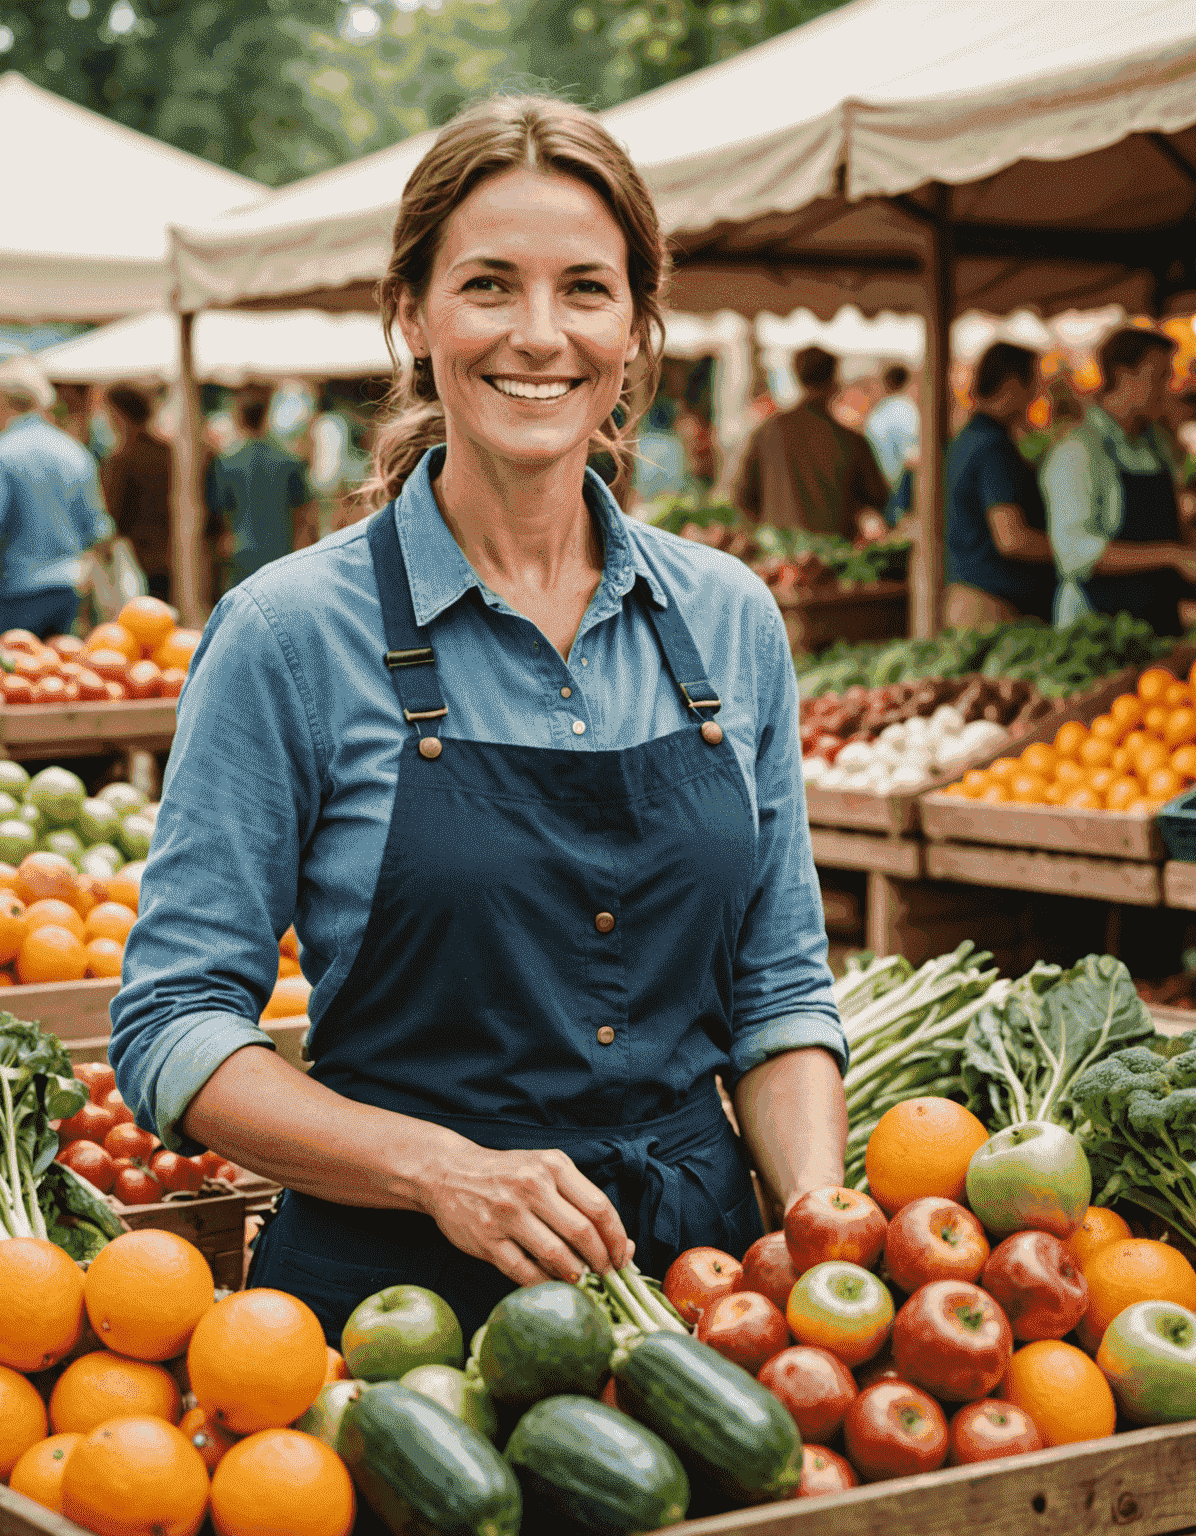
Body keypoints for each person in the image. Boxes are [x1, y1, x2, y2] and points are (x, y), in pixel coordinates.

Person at [109, 95, 845, 1348]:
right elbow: (175, 1025)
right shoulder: (287, 633)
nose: (541, 335)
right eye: (490, 286)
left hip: (706, 1304)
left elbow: (778, 996)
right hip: (394, 1323)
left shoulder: (728, 619)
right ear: (412, 314)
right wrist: (439, 1170)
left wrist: (828, 1237)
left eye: (588, 290)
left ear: (636, 324)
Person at [1043, 328, 1196, 634]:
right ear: (1124, 376)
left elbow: (1173, 526)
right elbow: (1074, 553)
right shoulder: (1079, 452)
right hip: (1095, 631)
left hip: (1157, 623)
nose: (1168, 389)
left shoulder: (1156, 445)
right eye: (1159, 377)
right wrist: (1172, 555)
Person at [0, 357, 112, 639]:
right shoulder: (74, 451)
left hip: (17, 592)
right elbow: (97, 528)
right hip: (70, 589)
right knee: (59, 675)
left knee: (14, 677)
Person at [944, 344, 1056, 627]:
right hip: (994, 607)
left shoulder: (965, 440)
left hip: (965, 596)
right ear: (1012, 384)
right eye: (1034, 384)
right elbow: (1012, 538)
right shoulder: (994, 448)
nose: (1037, 396)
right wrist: (1074, 549)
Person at [733, 346, 891, 539]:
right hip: (833, 557)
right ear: (833, 381)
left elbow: (743, 499)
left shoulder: (767, 432)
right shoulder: (851, 440)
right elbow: (878, 497)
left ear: (797, 377)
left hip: (777, 557)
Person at [205, 387, 314, 590]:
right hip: (281, 553)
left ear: (239, 418)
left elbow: (221, 513)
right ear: (266, 414)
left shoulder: (226, 463)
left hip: (241, 555)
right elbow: (303, 513)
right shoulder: (289, 461)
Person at [100, 385, 173, 603]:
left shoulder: (121, 460)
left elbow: (114, 515)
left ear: (119, 415)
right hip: (170, 555)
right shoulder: (168, 453)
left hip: (140, 559)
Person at [864, 364, 919, 491]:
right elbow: (913, 455)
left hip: (882, 487)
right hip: (902, 488)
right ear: (907, 382)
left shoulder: (875, 416)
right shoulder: (908, 411)